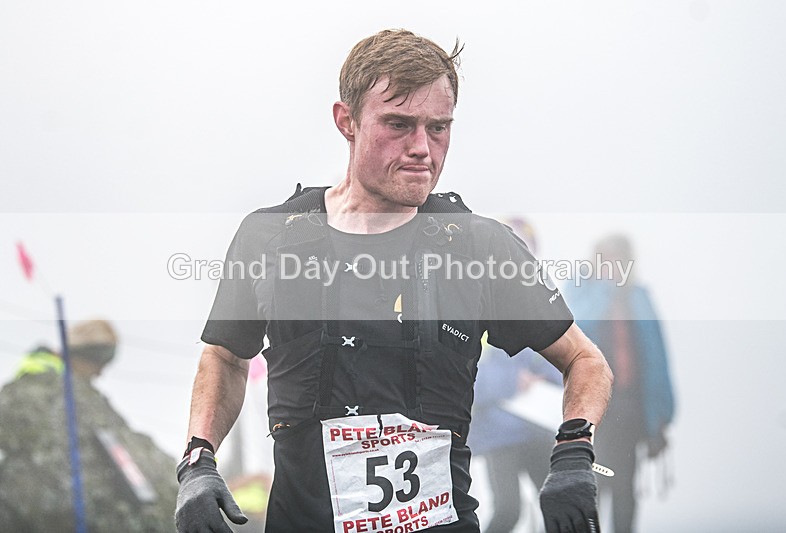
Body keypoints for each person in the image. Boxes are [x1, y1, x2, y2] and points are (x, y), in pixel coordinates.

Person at [176, 29, 613, 533]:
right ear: (346, 121)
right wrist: (197, 461)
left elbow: (585, 360)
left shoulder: (478, 246)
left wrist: (574, 451)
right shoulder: (271, 237)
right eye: (399, 124)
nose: (422, 148)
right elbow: (225, 356)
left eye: (438, 127)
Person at [0, 320, 179, 532]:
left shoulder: (49, 374)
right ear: (82, 356)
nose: (99, 374)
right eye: (99, 365)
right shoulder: (51, 384)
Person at [565, 235, 675, 533]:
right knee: (595, 481)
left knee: (625, 483)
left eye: (618, 259)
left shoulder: (638, 298)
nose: (613, 265)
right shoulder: (580, 291)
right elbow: (576, 330)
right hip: (593, 406)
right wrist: (604, 289)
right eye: (607, 258)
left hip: (631, 406)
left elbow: (656, 356)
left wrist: (661, 414)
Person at [469, 219, 565, 533]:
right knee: (509, 511)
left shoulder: (543, 304)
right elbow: (462, 377)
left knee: (558, 508)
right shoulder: (471, 303)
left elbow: (561, 363)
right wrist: (512, 382)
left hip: (538, 429)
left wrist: (545, 382)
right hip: (498, 433)